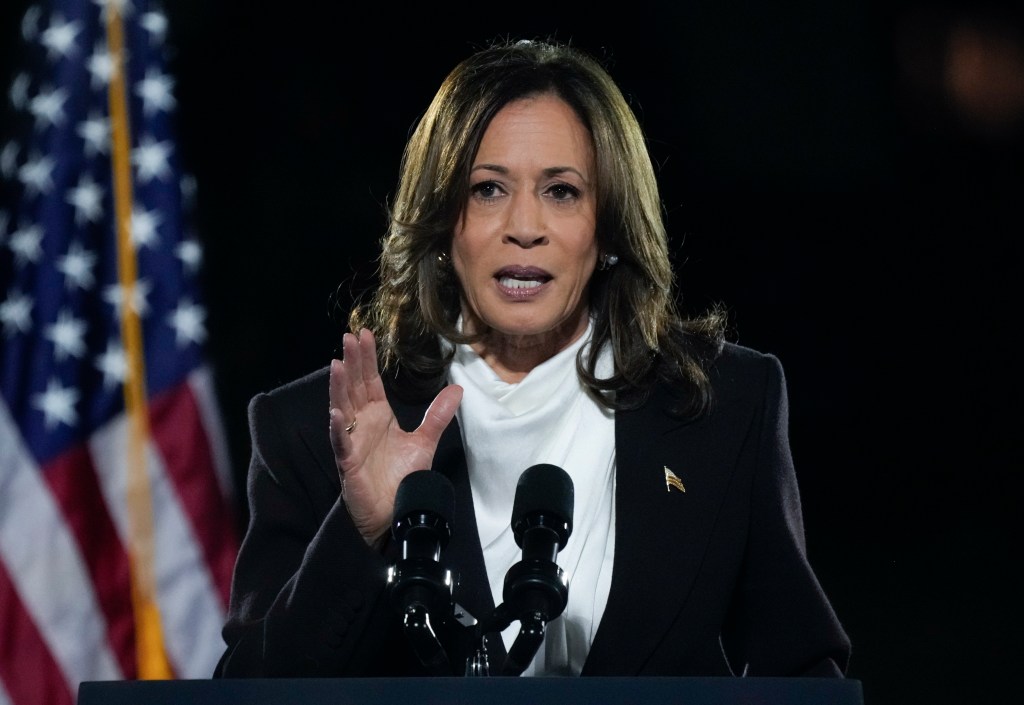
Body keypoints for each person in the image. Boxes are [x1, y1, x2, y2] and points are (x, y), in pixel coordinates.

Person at [214, 37, 851, 679]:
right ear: (442, 224)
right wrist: (360, 528)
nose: (524, 225)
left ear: (608, 227)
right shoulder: (307, 430)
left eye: (562, 191)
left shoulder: (726, 404)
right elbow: (246, 692)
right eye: (488, 189)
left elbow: (801, 676)